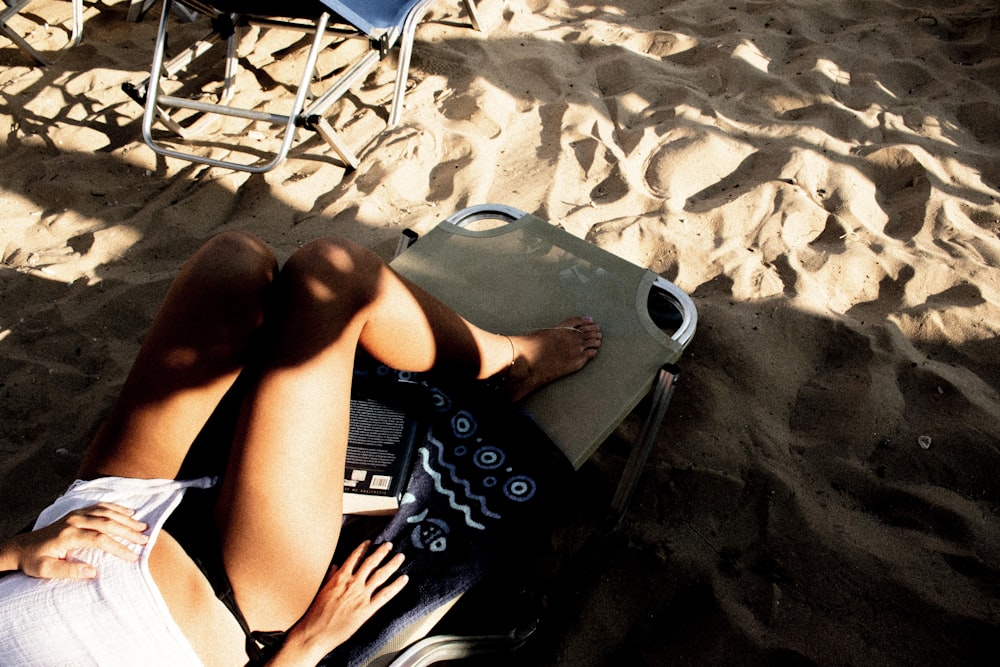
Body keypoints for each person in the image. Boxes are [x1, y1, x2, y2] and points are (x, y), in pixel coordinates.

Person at [0, 231, 602, 666]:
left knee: (233, 262)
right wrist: (309, 645)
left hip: (105, 514)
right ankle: (509, 359)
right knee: (332, 274)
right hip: (234, 600)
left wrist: (20, 547)